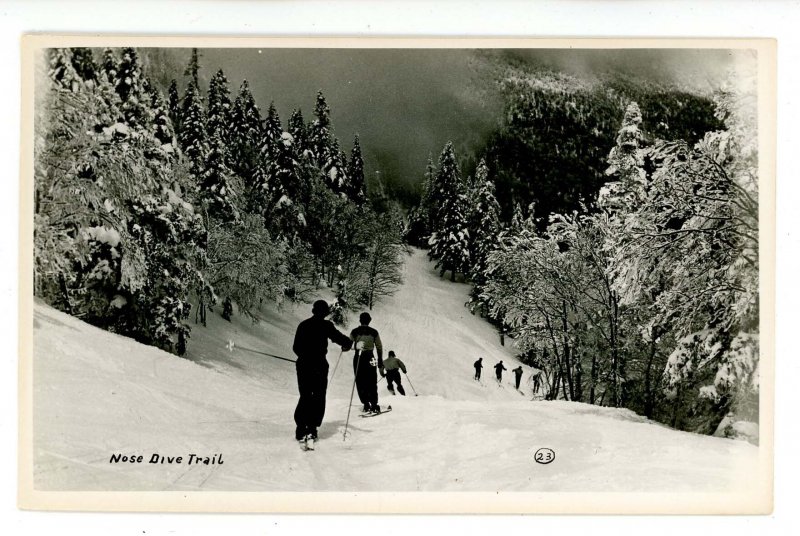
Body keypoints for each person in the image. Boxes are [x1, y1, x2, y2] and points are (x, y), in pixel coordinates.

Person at [292, 300, 352, 443]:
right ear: (325, 313)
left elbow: (296, 348)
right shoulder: (326, 325)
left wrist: (305, 356)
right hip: (319, 365)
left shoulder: (303, 325)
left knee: (305, 395)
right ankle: (312, 428)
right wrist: (349, 344)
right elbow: (339, 338)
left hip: (303, 365)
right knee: (318, 395)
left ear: (313, 311)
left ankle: (301, 428)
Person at [350, 312, 385, 414]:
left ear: (360, 320)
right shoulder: (374, 332)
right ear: (369, 321)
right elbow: (379, 347)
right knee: (372, 380)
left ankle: (366, 404)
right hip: (371, 357)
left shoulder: (355, 331)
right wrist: (380, 362)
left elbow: (348, 344)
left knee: (360, 381)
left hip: (358, 357)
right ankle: (374, 404)